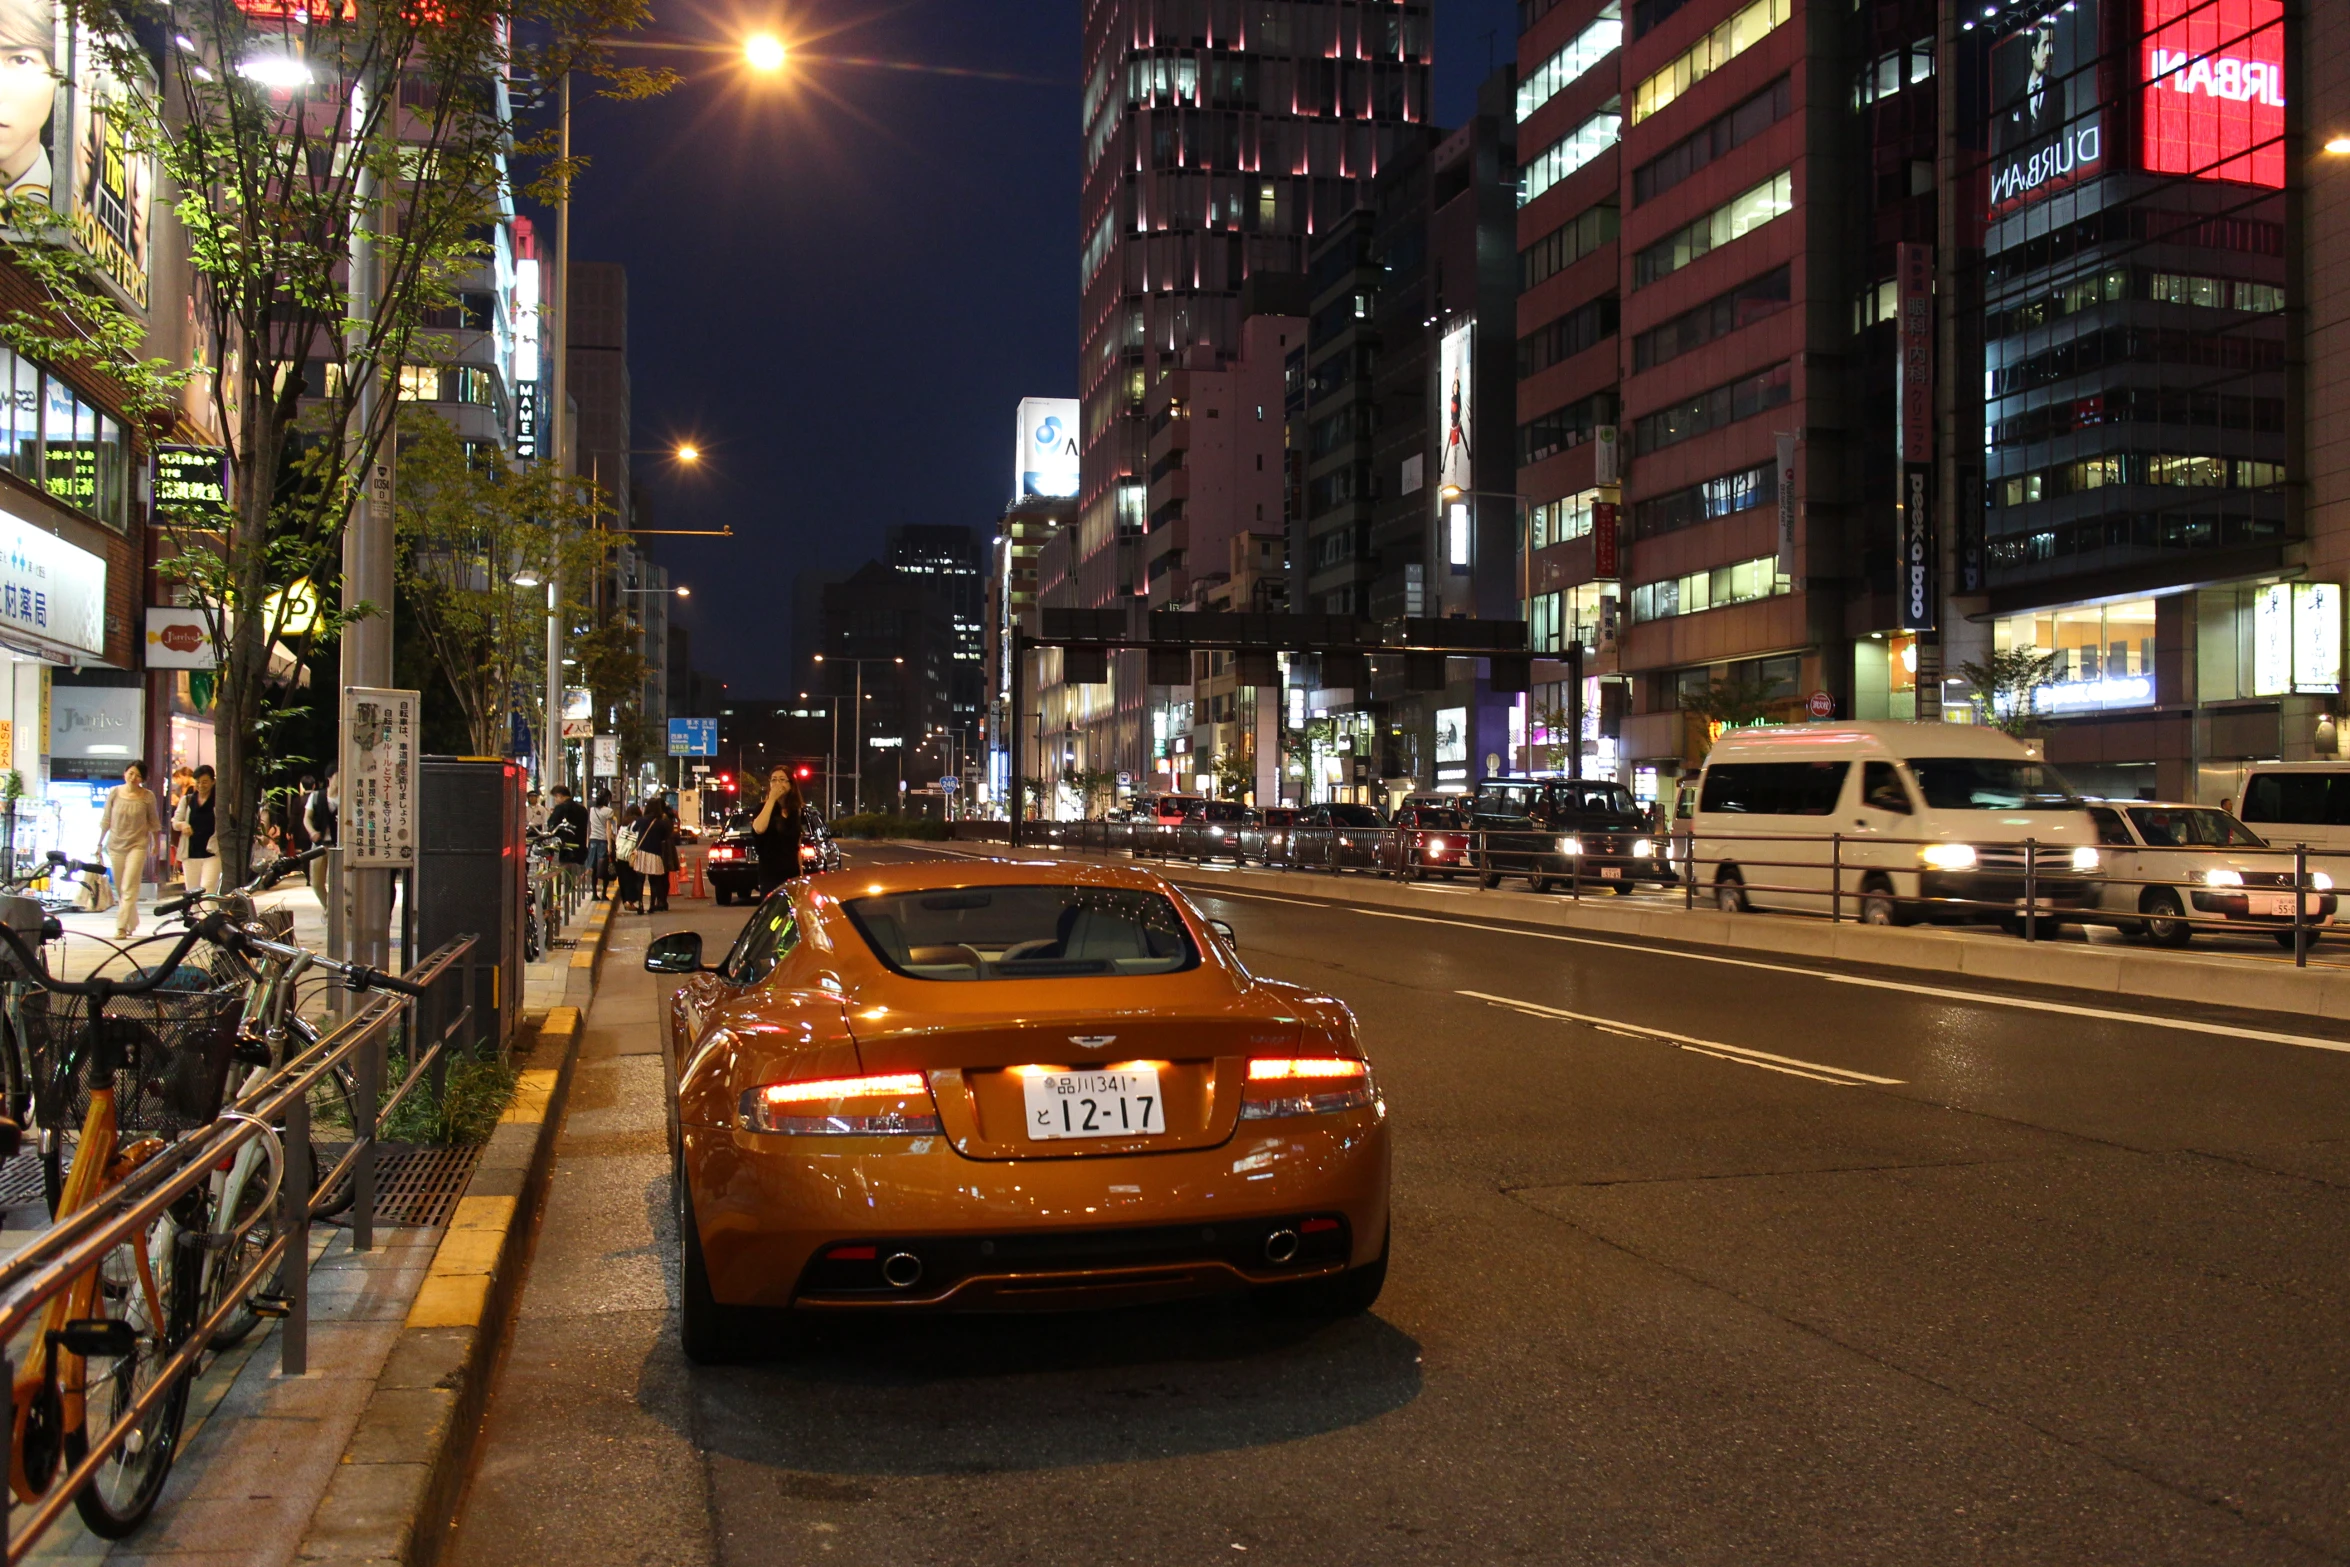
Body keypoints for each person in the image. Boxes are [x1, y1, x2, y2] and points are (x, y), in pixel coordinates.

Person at [98, 760, 160, 939]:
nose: (133, 778)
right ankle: (132, 921)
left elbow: (154, 822)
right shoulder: (114, 793)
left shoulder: (147, 796)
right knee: (120, 887)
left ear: (143, 779)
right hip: (115, 846)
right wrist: (99, 843)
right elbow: (106, 819)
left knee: (129, 886)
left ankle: (121, 927)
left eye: (138, 775)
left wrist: (155, 843)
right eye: (131, 773)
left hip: (137, 845)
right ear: (125, 773)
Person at [750, 765, 805, 895]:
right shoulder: (763, 808)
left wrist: (801, 874)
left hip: (792, 873)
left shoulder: (795, 811)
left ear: (790, 784)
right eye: (773, 780)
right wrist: (772, 799)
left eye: (782, 779)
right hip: (770, 874)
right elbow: (759, 828)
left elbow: (796, 845)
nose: (777, 783)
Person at [173, 764, 221, 897]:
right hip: (190, 852)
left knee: (208, 888)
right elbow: (175, 821)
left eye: (205, 782)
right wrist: (182, 825)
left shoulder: (219, 802)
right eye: (198, 782)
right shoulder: (187, 800)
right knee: (192, 892)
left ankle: (208, 917)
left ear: (213, 781)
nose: (201, 785)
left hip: (212, 852)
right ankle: (195, 917)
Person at [635, 799, 674, 914]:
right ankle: (652, 905)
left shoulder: (641, 820)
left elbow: (633, 829)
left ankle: (640, 904)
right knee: (654, 881)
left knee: (640, 880)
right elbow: (666, 836)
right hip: (655, 853)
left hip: (642, 852)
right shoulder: (661, 822)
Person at [613, 804, 644, 912]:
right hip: (631, 854)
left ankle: (626, 900)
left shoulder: (623, 823)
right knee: (633, 878)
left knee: (623, 879)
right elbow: (639, 838)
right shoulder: (637, 823)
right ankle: (630, 901)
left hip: (620, 854)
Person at [587, 789, 614, 900]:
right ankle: (603, 894)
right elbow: (608, 829)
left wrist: (587, 841)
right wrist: (610, 845)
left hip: (592, 840)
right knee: (604, 868)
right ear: (607, 798)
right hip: (603, 841)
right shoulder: (608, 811)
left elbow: (589, 827)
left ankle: (594, 894)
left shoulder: (592, 810)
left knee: (593, 868)